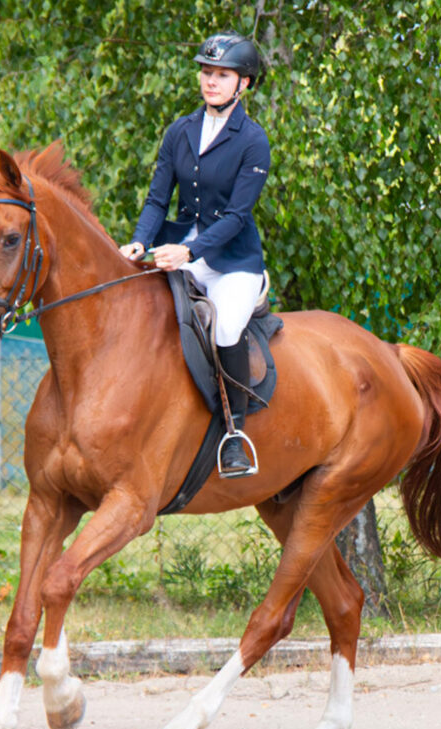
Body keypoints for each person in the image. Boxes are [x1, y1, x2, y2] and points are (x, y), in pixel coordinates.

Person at [119, 31, 270, 479]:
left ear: (243, 84)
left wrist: (187, 251)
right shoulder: (179, 132)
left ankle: (234, 434)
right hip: (176, 247)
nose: (210, 81)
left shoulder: (253, 141)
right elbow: (156, 200)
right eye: (206, 72)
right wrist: (140, 241)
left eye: (221, 75)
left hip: (233, 261)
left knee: (224, 326)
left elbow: (237, 217)